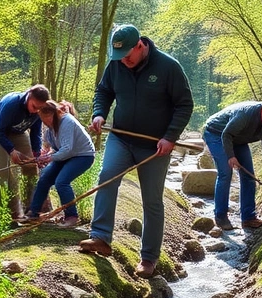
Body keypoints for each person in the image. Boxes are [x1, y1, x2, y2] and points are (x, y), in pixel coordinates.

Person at [80, 24, 193, 279]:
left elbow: (185, 104)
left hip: (155, 146)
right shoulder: (116, 64)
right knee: (106, 179)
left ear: (140, 45)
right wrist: (99, 113)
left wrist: (170, 137)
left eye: (128, 56)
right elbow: (104, 91)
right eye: (119, 57)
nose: (124, 62)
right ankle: (100, 237)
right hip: (120, 138)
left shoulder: (168, 67)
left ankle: (148, 258)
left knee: (151, 200)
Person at [202, 98, 262, 230]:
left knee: (249, 176)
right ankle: (221, 216)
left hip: (238, 138)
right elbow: (226, 134)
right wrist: (230, 156)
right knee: (225, 173)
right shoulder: (245, 114)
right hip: (216, 133)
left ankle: (248, 218)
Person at [0, 84, 50, 219]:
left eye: (40, 108)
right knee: (3, 170)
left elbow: (35, 133)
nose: (36, 111)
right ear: (28, 96)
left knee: (30, 165)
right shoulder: (11, 104)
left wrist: (36, 154)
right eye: (34, 107)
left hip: (16, 131)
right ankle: (4, 213)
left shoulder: (38, 111)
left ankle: (32, 209)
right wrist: (11, 151)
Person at [24, 101, 96, 227]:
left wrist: (49, 158)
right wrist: (41, 156)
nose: (45, 122)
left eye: (46, 119)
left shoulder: (67, 121)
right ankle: (33, 214)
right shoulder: (49, 128)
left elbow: (67, 149)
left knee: (61, 182)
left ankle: (71, 217)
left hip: (82, 156)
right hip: (63, 156)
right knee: (44, 179)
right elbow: (47, 146)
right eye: (42, 119)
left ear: (53, 114)